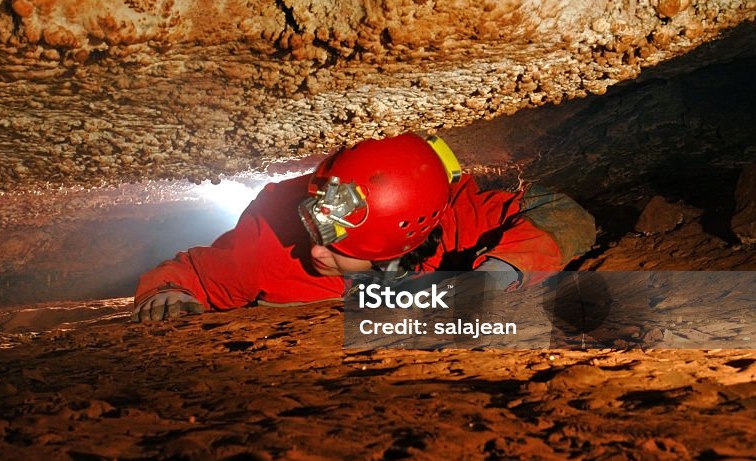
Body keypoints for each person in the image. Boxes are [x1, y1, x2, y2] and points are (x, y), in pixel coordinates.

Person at [132, 133, 596, 322]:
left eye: (338, 247)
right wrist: (166, 292)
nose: (316, 252)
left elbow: (560, 215)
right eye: (316, 229)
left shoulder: (447, 211)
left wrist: (488, 279)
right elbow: (191, 272)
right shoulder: (268, 245)